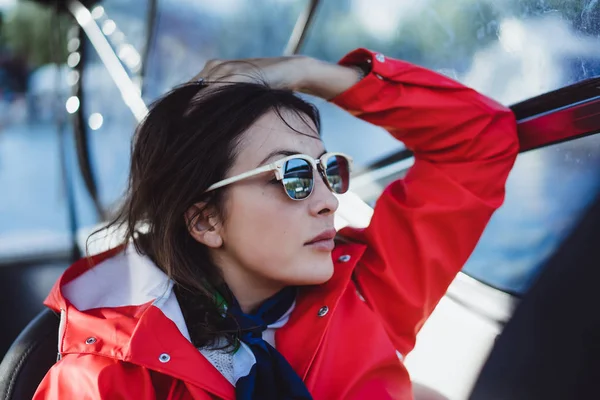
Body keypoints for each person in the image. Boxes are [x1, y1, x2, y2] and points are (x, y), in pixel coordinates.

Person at [33, 48, 518, 399]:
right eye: (294, 176)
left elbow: (481, 137)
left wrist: (311, 74)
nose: (330, 201)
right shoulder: (105, 376)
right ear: (204, 220)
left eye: (329, 170)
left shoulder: (367, 291)